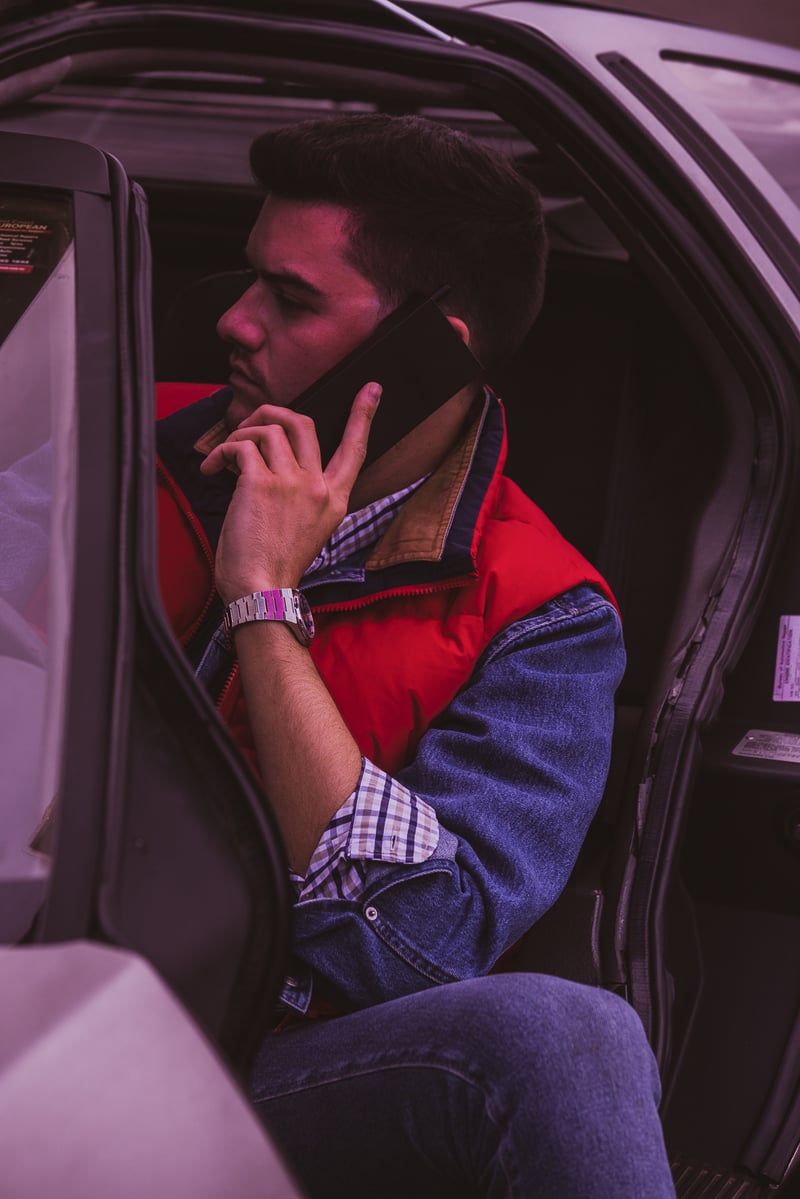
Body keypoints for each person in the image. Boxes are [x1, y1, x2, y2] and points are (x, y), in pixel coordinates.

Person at [156, 114, 676, 1197]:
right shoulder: (111, 433)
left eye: (291, 299)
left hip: (234, 1058)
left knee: (557, 1033)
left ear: (428, 350)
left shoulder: (542, 613)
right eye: (246, 279)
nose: (234, 323)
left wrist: (264, 602)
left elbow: (415, 944)